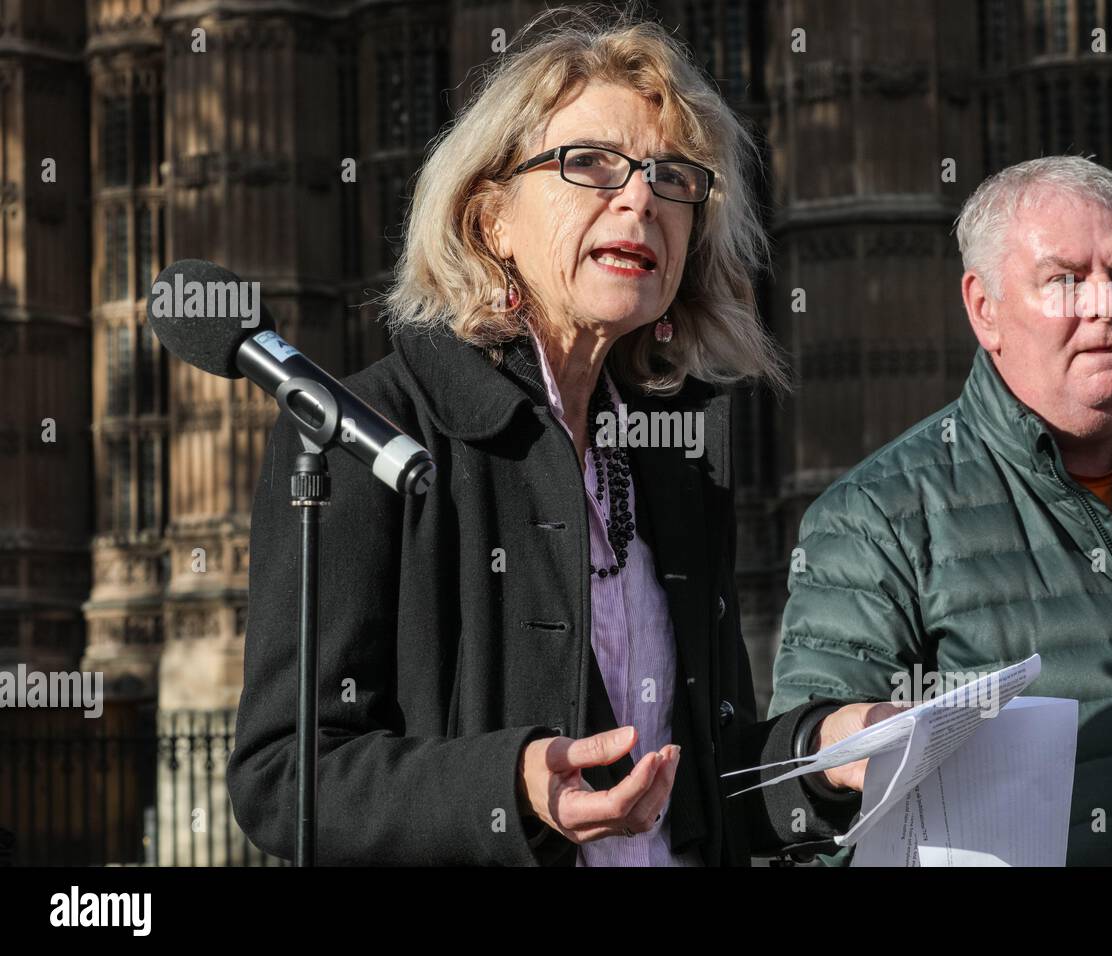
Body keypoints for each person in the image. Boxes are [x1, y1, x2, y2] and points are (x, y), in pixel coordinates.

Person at [227, 5, 894, 867]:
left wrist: (829, 751)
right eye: (590, 164)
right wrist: (513, 787)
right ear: (489, 218)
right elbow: (284, 779)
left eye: (672, 177)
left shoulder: (674, 457)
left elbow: (697, 784)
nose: (641, 198)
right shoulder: (366, 435)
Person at [770, 155, 1112, 865]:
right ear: (984, 309)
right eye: (1066, 281)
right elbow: (803, 816)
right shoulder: (879, 521)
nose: (1108, 306)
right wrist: (838, 757)